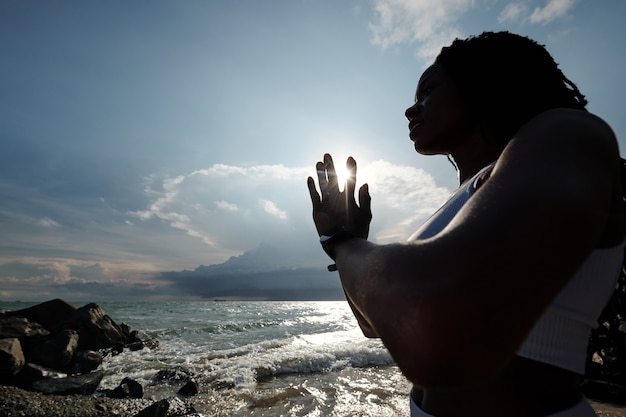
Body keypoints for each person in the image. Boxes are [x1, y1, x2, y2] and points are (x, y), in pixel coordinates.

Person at [306, 31, 626, 417]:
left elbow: (428, 328)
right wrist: (346, 243)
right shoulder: (461, 201)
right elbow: (376, 326)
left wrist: (343, 243)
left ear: (486, 82)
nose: (412, 109)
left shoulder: (567, 134)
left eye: (428, 91)